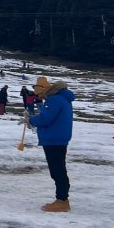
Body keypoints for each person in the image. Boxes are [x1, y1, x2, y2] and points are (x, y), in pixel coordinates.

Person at [28, 76, 75, 212]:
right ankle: (62, 199)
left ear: (45, 90)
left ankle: (62, 201)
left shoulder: (54, 100)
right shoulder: (61, 99)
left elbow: (45, 119)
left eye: (39, 94)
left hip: (54, 139)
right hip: (58, 138)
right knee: (59, 169)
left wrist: (31, 120)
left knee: (57, 171)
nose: (39, 97)